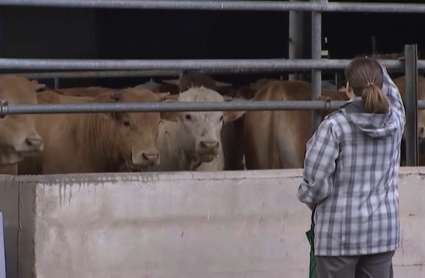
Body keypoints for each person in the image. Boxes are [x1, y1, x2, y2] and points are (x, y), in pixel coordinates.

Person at [297, 57, 405, 278]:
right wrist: (374, 64)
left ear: (347, 87)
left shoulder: (334, 127)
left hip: (338, 236)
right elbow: (394, 95)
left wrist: (309, 199)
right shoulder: (395, 121)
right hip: (381, 234)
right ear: (381, 85)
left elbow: (315, 183)